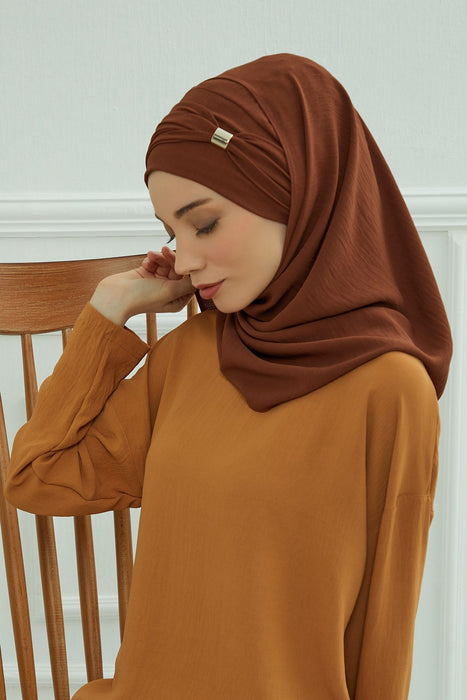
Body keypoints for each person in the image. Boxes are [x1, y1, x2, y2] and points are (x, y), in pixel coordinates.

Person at [5, 52, 452, 699]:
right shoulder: (191, 355)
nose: (184, 259)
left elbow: (382, 639)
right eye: (171, 232)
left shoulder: (390, 391)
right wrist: (110, 307)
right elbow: (36, 480)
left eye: (204, 223)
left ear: (295, 191)